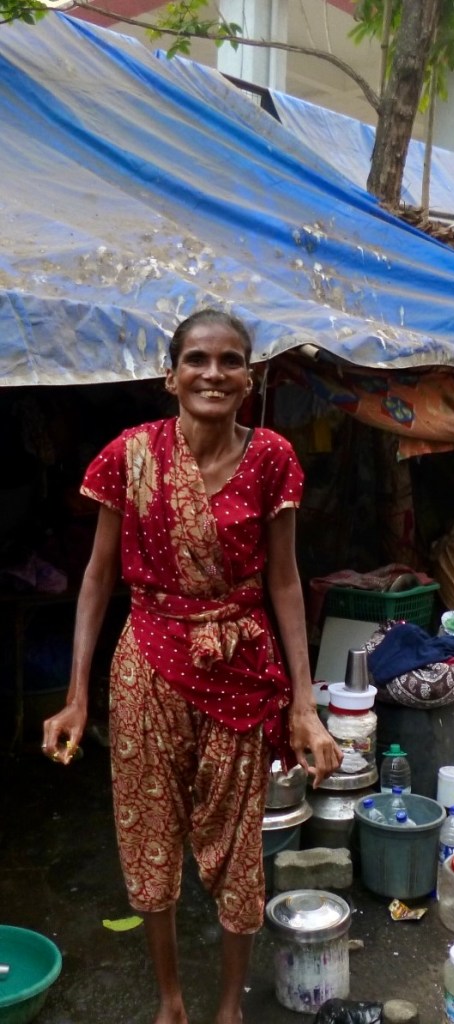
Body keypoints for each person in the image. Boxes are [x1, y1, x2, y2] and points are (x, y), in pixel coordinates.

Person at [42, 308, 343, 1024]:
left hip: (241, 664)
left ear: (250, 377)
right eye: (199, 359)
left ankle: (229, 1007)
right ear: (170, 375)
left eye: (231, 360)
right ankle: (171, 1002)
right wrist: (77, 696)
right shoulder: (130, 454)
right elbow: (98, 576)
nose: (214, 373)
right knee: (148, 830)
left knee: (239, 837)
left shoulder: (273, 458)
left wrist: (304, 703)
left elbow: (284, 582)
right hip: (147, 659)